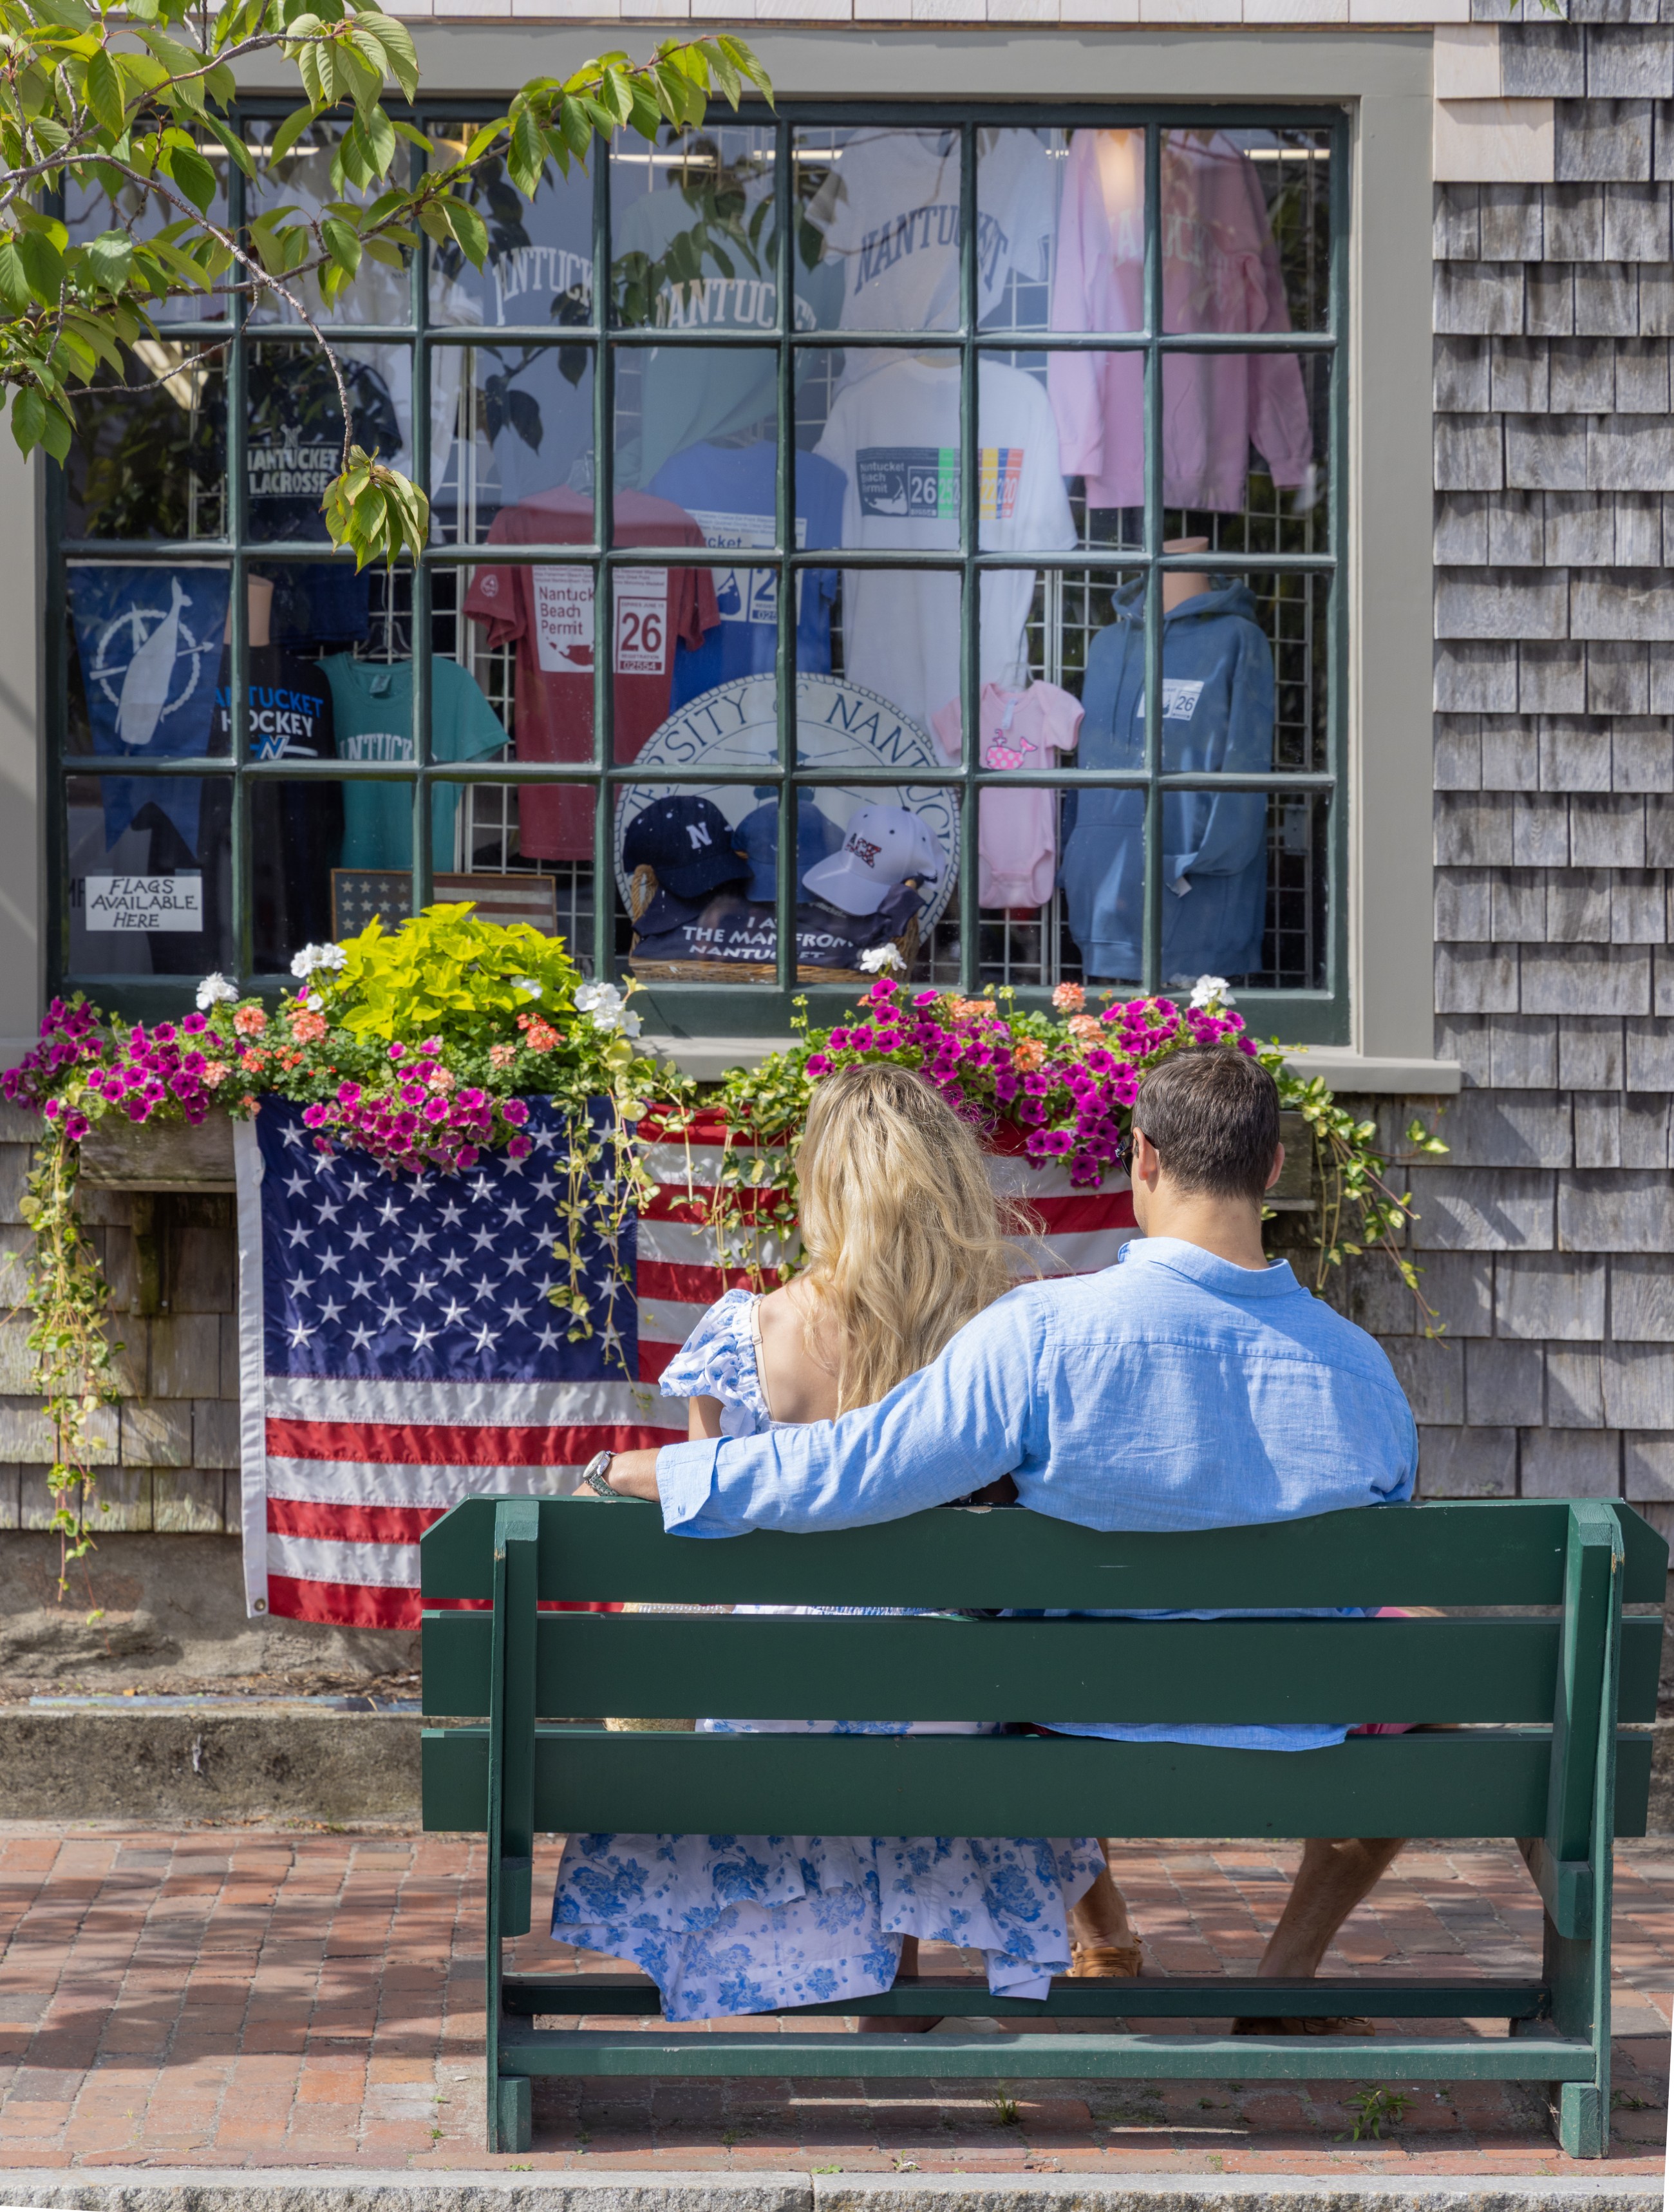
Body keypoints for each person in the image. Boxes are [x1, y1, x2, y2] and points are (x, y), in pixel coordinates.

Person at [590, 1043, 1422, 2032]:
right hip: (1299, 1721)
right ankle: (1283, 1983)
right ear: (1274, 1169)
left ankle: (1097, 1947)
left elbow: (861, 1468)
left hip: (1081, 1716)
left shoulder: (1043, 1335)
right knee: (1436, 1672)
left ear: (1142, 1158)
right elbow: (1381, 1571)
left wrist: (683, 1472)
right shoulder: (1365, 1371)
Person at [554, 1063, 1136, 2027]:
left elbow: (709, 1536)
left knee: (802, 1686)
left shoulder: (746, 1331)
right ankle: (930, 1963)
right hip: (951, 1703)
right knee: (956, 1691)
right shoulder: (997, 1336)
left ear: (821, 1183)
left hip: (776, 1695)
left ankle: (810, 1964)